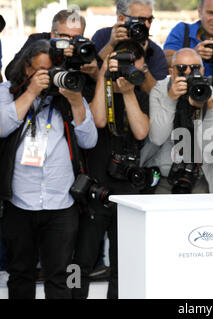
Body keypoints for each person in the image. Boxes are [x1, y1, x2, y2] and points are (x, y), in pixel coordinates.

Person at [0, 40, 98, 299]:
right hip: (19, 203)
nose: (49, 76)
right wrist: (31, 92)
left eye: (53, 69)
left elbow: (89, 141)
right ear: (26, 68)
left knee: (60, 277)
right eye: (41, 70)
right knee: (20, 274)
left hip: (61, 204)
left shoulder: (67, 96)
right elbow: (1, 126)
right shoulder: (7, 91)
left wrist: (77, 102)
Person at [71, 39, 150, 299]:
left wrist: (127, 92)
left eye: (133, 65)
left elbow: (141, 131)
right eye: (122, 64)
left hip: (127, 192)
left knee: (122, 265)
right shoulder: (94, 88)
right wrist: (104, 76)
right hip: (95, 188)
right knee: (81, 262)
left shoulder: (139, 95)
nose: (127, 71)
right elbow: (99, 121)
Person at [141, 48, 213, 194]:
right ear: (171, 72)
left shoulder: (212, 95)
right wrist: (171, 99)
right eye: (182, 68)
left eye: (195, 68)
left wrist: (206, 109)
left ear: (202, 71)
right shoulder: (159, 90)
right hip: (163, 173)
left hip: (198, 173)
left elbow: (207, 147)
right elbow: (157, 138)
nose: (188, 73)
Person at [92, 0, 168, 94]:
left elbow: (156, 94)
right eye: (141, 19)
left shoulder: (154, 50)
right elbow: (91, 71)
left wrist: (141, 61)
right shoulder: (103, 37)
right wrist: (111, 44)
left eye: (150, 20)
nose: (147, 25)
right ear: (121, 18)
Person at [5, 9, 98, 83]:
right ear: (53, 34)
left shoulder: (84, 48)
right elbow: (10, 72)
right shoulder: (38, 41)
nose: (71, 42)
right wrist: (52, 53)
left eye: (76, 37)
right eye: (65, 36)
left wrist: (94, 74)